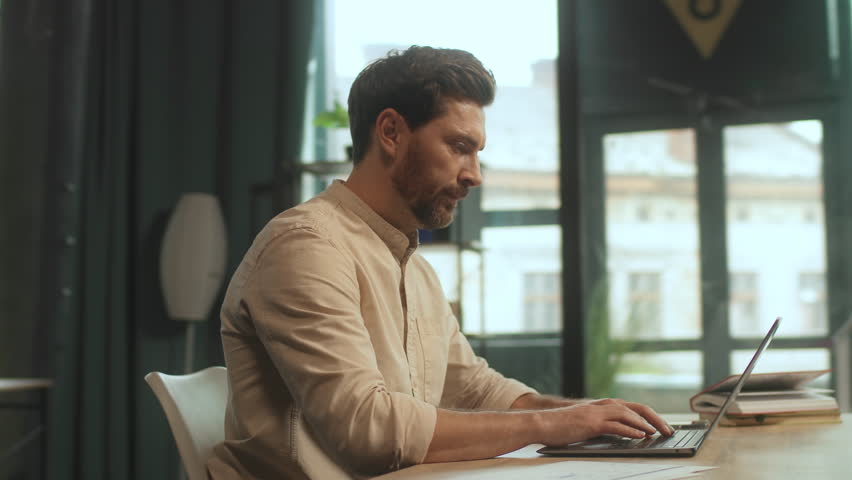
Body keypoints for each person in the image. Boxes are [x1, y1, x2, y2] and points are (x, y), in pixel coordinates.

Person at [206, 46, 673, 480]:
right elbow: (368, 432)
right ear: (391, 132)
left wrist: (591, 417)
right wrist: (551, 425)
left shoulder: (414, 268)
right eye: (459, 147)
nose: (473, 175)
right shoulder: (306, 247)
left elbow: (475, 390)